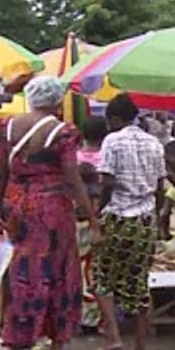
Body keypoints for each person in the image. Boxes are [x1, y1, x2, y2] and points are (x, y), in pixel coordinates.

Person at [0, 76, 98, 350]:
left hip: (16, 207)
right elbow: (73, 178)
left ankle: (10, 344)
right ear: (56, 100)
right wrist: (92, 217)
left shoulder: (8, 127)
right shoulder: (62, 133)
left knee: (21, 273)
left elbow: (0, 175)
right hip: (51, 212)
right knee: (59, 277)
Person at [90, 93, 167, 350]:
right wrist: (157, 218)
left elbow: (107, 182)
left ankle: (113, 338)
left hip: (118, 217)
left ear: (115, 119)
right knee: (139, 282)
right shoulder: (155, 143)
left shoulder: (113, 140)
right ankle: (141, 349)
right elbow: (160, 189)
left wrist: (97, 214)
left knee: (101, 279)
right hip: (145, 221)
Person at [77, 117, 107, 331]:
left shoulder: (73, 157)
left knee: (77, 268)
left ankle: (79, 316)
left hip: (74, 219)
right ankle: (97, 318)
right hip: (99, 218)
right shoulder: (106, 158)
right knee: (96, 269)